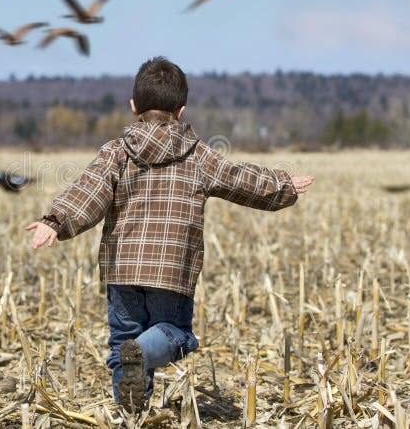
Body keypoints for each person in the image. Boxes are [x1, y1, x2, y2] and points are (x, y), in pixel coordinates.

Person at [26, 57, 314, 412]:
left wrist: (54, 221)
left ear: (133, 107)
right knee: (177, 336)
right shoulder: (197, 155)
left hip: (122, 272)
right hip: (171, 271)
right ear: (181, 111)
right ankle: (144, 355)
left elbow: (89, 191)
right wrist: (283, 185)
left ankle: (132, 410)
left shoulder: (116, 152)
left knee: (122, 343)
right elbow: (241, 178)